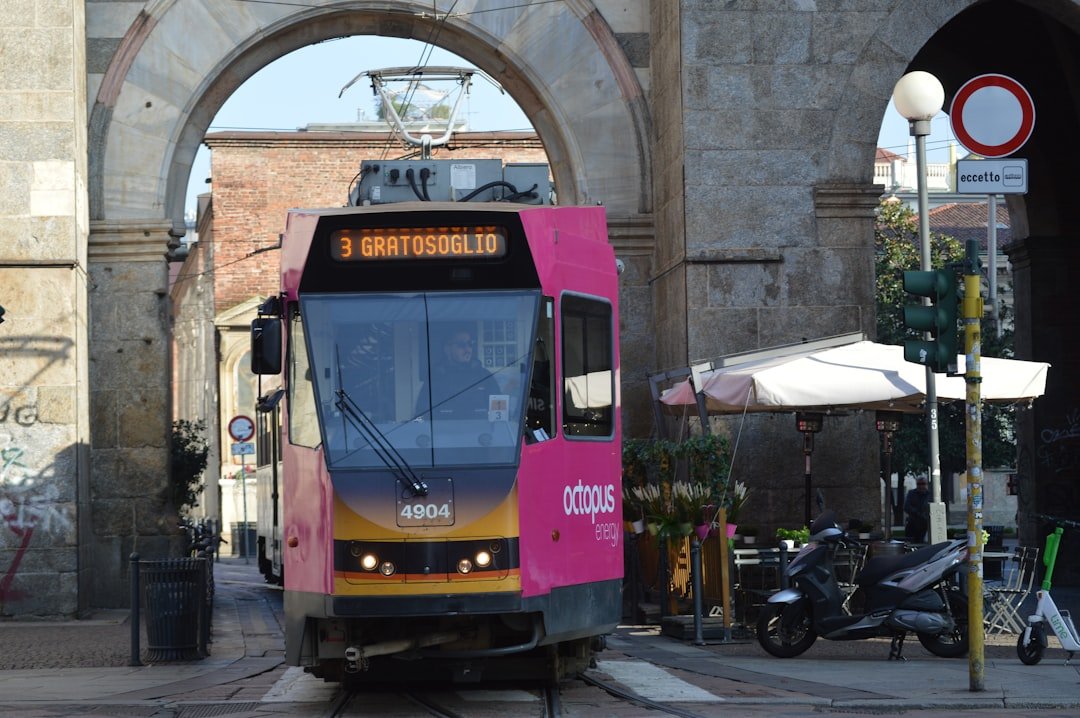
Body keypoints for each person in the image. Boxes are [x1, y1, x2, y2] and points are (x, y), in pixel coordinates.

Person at [419, 325, 500, 419]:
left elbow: (499, 410)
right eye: (462, 345)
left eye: (470, 344)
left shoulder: (484, 376)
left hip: (479, 432)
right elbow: (422, 413)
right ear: (447, 349)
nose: (468, 349)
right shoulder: (436, 378)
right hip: (444, 433)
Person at [904, 476, 931, 543]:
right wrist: (916, 512)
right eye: (919, 484)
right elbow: (906, 507)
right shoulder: (911, 493)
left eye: (923, 484)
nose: (921, 486)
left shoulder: (930, 495)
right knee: (910, 542)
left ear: (926, 484)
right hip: (912, 523)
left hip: (925, 524)